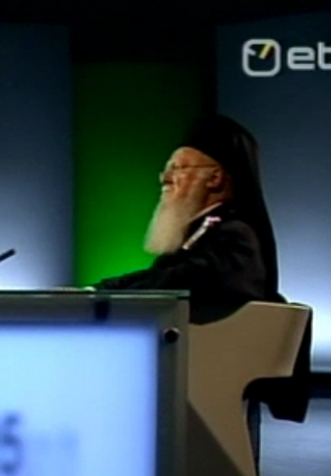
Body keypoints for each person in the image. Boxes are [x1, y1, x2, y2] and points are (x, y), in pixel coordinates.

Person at [95, 114, 283, 324]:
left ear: (215, 178)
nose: (166, 179)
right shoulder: (197, 233)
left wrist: (111, 295)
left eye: (179, 168)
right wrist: (101, 290)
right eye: (167, 170)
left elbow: (185, 280)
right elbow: (162, 276)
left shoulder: (235, 235)